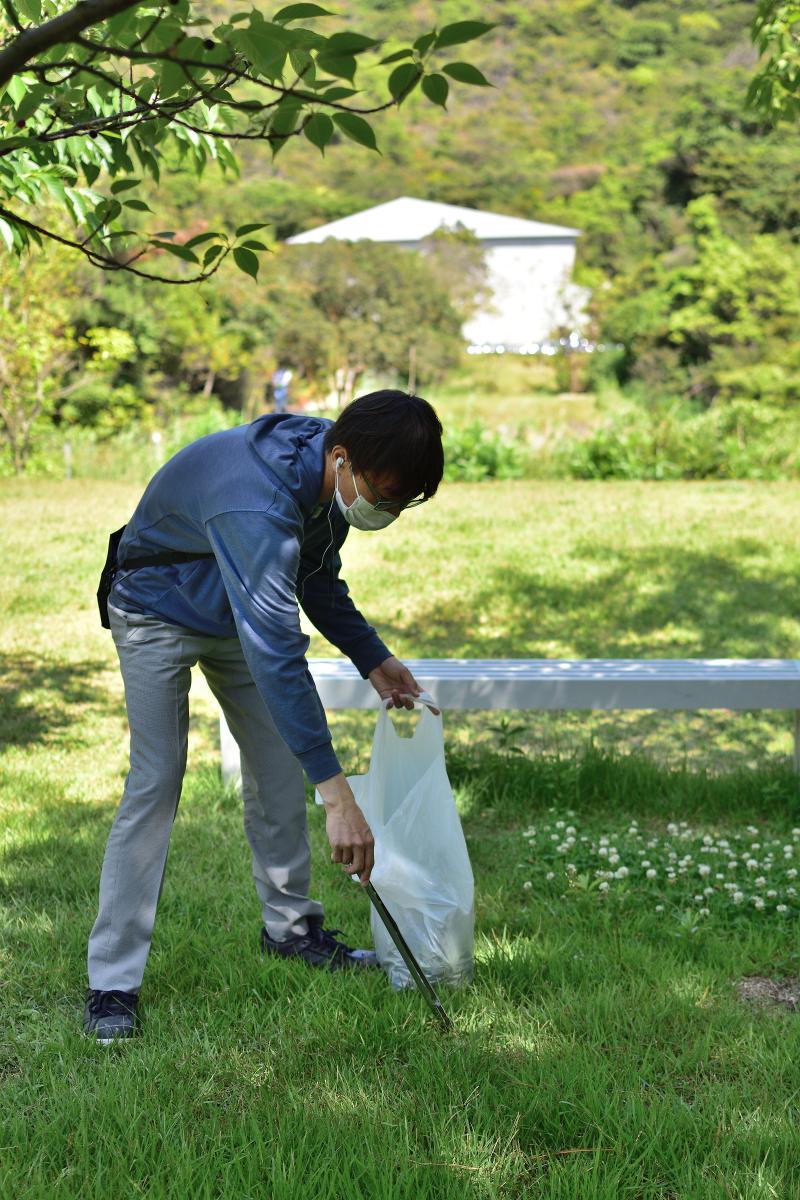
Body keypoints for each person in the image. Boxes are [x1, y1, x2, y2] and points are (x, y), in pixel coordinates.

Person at [85, 390, 444, 1044]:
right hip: (155, 612)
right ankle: (112, 980)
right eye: (383, 496)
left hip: (232, 614)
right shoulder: (257, 497)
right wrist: (337, 797)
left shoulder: (327, 472)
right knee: (156, 782)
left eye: (399, 504)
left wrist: (374, 659)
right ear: (343, 458)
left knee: (279, 764)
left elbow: (315, 579)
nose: (385, 512)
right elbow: (278, 650)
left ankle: (292, 930)